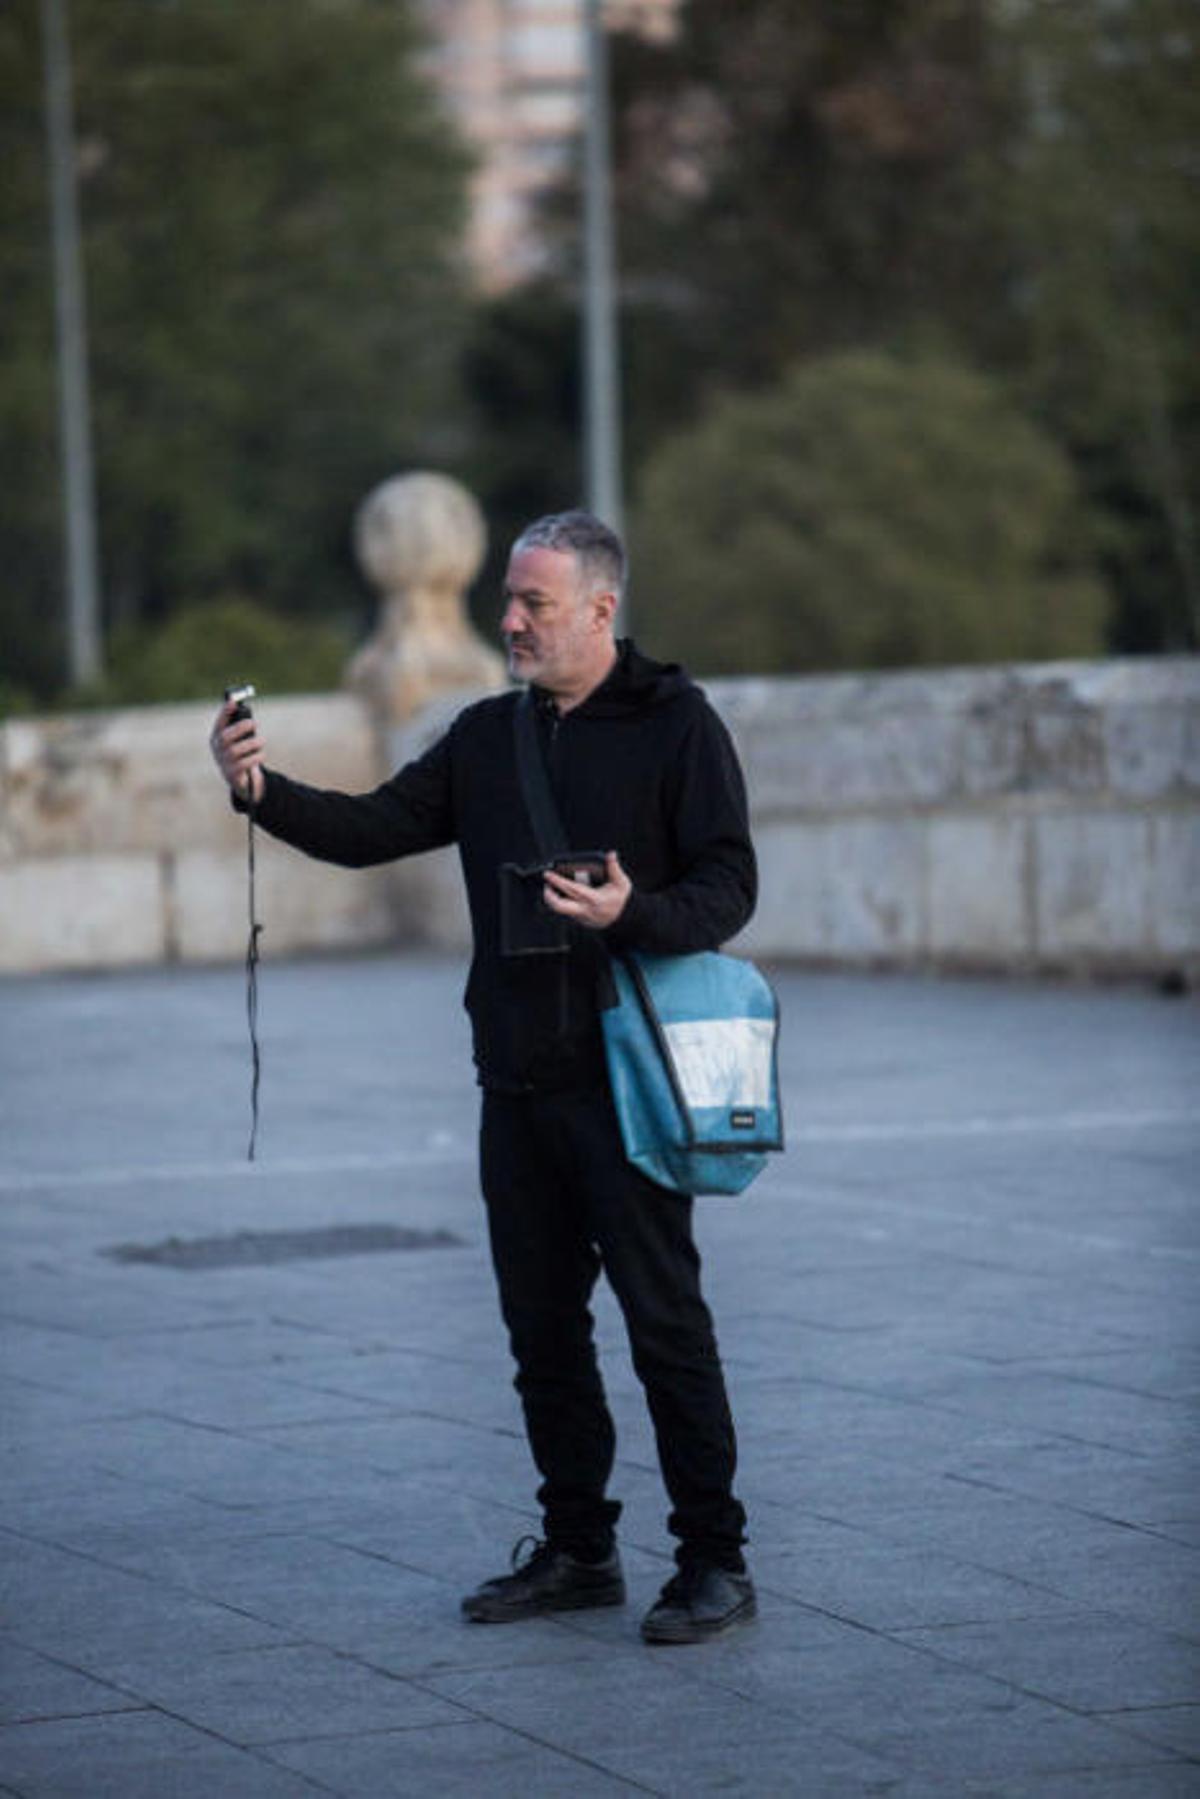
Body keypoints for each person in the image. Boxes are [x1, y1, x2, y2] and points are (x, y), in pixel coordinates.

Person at [209, 510, 757, 1644]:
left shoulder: (676, 725)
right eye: (508, 599)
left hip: (628, 1079)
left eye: (534, 604)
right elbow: (370, 829)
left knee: (667, 1327)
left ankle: (714, 1559)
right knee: (541, 1334)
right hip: (514, 1079)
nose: (507, 620)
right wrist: (261, 789)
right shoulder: (486, 735)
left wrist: (632, 913)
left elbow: (729, 885)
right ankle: (579, 1548)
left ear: (602, 609)